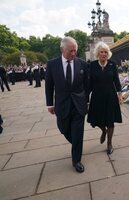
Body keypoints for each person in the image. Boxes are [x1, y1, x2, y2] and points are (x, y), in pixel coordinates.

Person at [45, 36, 88, 173]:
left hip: (78, 104)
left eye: (75, 50)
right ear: (62, 50)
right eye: (71, 51)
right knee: (63, 128)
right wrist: (49, 104)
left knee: (78, 131)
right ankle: (76, 143)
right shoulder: (52, 64)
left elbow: (86, 85)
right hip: (62, 104)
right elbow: (49, 86)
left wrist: (86, 100)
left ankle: (77, 160)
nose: (74, 54)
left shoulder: (81, 63)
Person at [87, 41, 123, 155]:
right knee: (97, 119)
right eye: (101, 52)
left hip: (110, 96)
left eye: (106, 52)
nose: (104, 54)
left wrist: (119, 94)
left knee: (110, 120)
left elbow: (116, 81)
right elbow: (89, 83)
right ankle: (103, 131)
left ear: (108, 53)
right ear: (98, 53)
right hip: (97, 96)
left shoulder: (112, 64)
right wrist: (86, 99)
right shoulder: (92, 65)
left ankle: (109, 143)